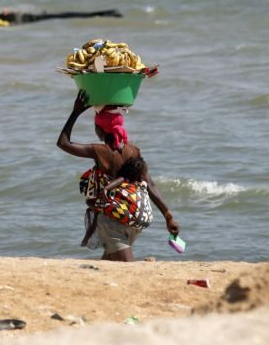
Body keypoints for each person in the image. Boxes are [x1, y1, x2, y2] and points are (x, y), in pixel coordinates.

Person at [58, 91, 179, 262]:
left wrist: (76, 112)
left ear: (99, 129)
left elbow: (63, 143)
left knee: (125, 270)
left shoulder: (100, 151)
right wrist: (168, 215)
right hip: (133, 220)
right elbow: (150, 184)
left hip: (112, 222)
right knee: (110, 268)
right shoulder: (134, 151)